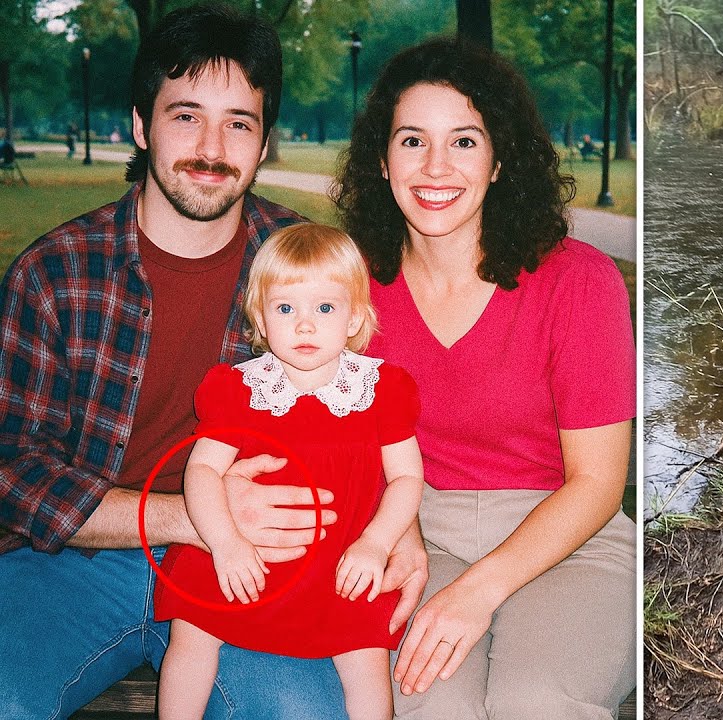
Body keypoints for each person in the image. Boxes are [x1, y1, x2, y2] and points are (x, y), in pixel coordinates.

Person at [0, 5, 426, 718]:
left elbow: (369, 416)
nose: (211, 145)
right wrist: (188, 519)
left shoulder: (303, 269)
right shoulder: (56, 272)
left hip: (268, 569)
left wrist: (400, 534)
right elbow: (13, 467)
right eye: (185, 115)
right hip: (74, 566)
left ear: (264, 144)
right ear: (141, 126)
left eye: (239, 122)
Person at [337, 38, 636, 719]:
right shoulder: (350, 287)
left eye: (464, 142)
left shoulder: (578, 282)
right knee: (427, 701)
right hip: (416, 531)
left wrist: (480, 589)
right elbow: (347, 445)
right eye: (412, 140)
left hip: (565, 535)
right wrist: (399, 532)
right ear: (381, 161)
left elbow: (596, 483)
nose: (435, 166)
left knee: (536, 704)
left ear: (499, 161)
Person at [156, 224, 425, 720]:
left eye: (324, 308)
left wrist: (377, 543)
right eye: (286, 309)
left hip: (344, 555)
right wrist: (225, 543)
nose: (305, 325)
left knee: (366, 659)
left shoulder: (380, 389)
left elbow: (408, 477)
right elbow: (203, 472)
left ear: (354, 318)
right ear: (260, 317)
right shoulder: (239, 388)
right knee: (192, 635)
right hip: (244, 550)